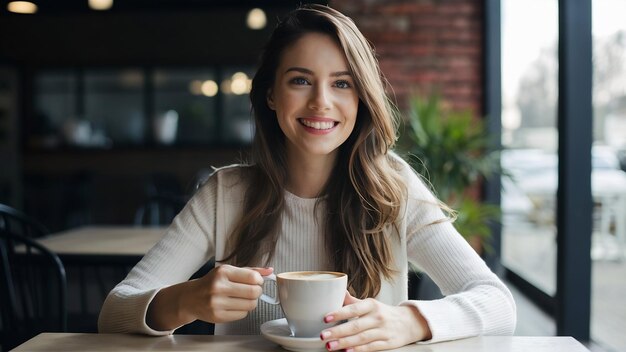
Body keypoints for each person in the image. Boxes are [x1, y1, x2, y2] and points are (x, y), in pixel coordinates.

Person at [98, 4, 516, 351]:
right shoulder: (226, 192)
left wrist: (409, 322)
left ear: (361, 98)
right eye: (300, 80)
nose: (321, 102)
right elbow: (114, 313)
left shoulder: (395, 188)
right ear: (271, 94)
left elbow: (498, 303)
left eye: (342, 83)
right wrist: (186, 300)